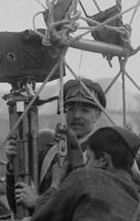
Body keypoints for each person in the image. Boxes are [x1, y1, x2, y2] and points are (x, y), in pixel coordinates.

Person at [16, 78, 106, 211]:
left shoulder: (102, 155)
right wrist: (13, 165)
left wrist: (38, 202)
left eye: (85, 110)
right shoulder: (50, 152)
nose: (76, 115)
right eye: (70, 109)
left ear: (97, 115)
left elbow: (88, 206)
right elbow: (19, 203)